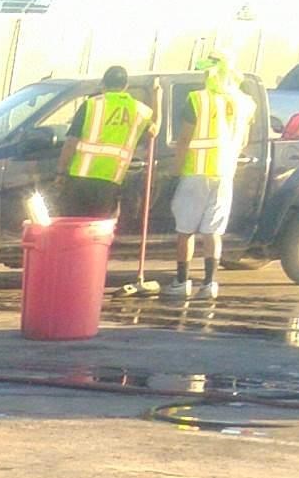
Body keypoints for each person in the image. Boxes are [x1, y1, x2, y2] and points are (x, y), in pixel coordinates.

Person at [170, 55, 253, 300]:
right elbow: (244, 141)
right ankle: (209, 285)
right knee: (213, 232)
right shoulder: (245, 103)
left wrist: (175, 170)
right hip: (225, 173)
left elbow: (184, 138)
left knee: (185, 230)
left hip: (196, 172)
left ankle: (182, 282)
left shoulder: (198, 99)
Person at [58, 66, 153, 219]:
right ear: (126, 86)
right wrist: (158, 98)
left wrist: (61, 172)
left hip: (80, 177)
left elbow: (71, 142)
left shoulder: (91, 105)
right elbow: (154, 131)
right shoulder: (140, 110)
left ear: (103, 84)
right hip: (111, 180)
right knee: (98, 229)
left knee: (75, 225)